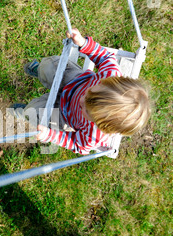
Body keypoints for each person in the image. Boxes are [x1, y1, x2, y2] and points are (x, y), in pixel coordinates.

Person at [13, 27, 151, 154]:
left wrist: (51, 136)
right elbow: (104, 58)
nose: (81, 100)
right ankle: (40, 70)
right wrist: (84, 43)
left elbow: (76, 144)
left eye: (85, 109)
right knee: (48, 67)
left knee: (32, 113)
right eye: (88, 93)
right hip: (75, 81)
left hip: (65, 114)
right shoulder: (110, 75)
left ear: (100, 124)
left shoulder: (95, 135)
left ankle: (26, 111)